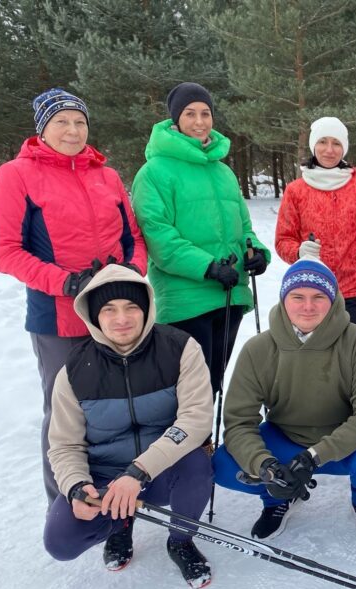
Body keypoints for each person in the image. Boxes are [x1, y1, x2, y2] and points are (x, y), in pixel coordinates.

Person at [0, 88, 148, 507]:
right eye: (61, 122)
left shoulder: (107, 175)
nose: (73, 130)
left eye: (79, 121)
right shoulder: (16, 174)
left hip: (114, 315)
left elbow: (133, 238)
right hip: (58, 317)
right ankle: (66, 501)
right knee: (65, 414)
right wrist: (66, 283)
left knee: (120, 407)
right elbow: (6, 251)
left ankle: (120, 493)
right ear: (42, 129)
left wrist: (131, 274)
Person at [43, 265, 214, 588]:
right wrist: (77, 487)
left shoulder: (180, 348)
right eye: (109, 309)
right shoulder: (74, 370)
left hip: (163, 468)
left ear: (147, 309)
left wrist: (138, 472)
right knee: (61, 542)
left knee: (197, 465)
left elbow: (195, 420)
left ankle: (180, 540)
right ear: (94, 316)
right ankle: (120, 524)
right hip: (106, 478)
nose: (122, 318)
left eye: (131, 307)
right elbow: (65, 444)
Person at [211, 259, 356, 544]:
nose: (308, 306)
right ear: (284, 300)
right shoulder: (258, 349)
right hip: (285, 438)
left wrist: (314, 456)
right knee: (224, 464)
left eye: (318, 297)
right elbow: (238, 422)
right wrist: (265, 466)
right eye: (298, 297)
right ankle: (276, 498)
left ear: (332, 301)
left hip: (345, 443)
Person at [131, 82, 271, 395]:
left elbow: (244, 227)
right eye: (190, 113)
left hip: (230, 295)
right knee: (189, 390)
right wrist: (207, 267)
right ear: (175, 120)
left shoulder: (223, 172)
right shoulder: (154, 172)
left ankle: (206, 445)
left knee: (214, 385)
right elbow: (158, 236)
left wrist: (256, 252)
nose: (199, 121)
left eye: (205, 113)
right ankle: (188, 444)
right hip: (186, 300)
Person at [274, 117, 356, 329]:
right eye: (323, 142)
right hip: (310, 290)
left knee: (351, 355)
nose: (329, 149)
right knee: (315, 358)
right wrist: (298, 251)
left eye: (336, 143)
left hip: (354, 291)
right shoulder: (296, 190)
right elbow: (283, 239)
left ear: (344, 148)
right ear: (313, 145)